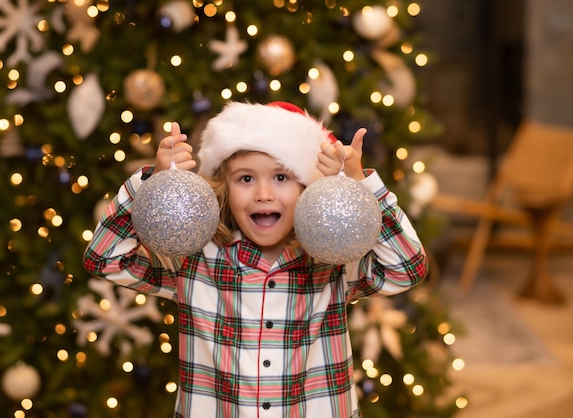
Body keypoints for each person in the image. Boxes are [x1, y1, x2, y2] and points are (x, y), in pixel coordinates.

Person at [83, 101, 428, 418]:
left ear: (309, 189)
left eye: (281, 177)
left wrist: (360, 188)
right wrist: (152, 186)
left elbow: (407, 268)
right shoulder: (194, 261)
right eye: (246, 178)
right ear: (224, 188)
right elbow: (104, 258)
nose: (263, 194)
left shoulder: (335, 263)